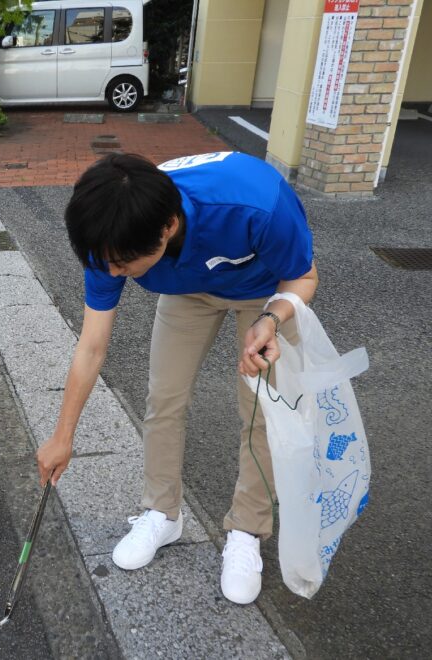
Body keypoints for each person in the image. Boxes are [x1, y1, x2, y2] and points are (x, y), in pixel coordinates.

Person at [36, 151, 318, 604]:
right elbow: (92, 346)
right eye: (104, 263)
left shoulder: (256, 203)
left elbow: (303, 277)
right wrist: (62, 436)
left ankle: (246, 530)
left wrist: (273, 318)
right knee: (164, 397)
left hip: (266, 291)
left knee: (261, 411)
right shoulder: (110, 239)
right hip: (186, 290)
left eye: (123, 265)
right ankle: (162, 512)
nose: (111, 274)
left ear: (167, 228)